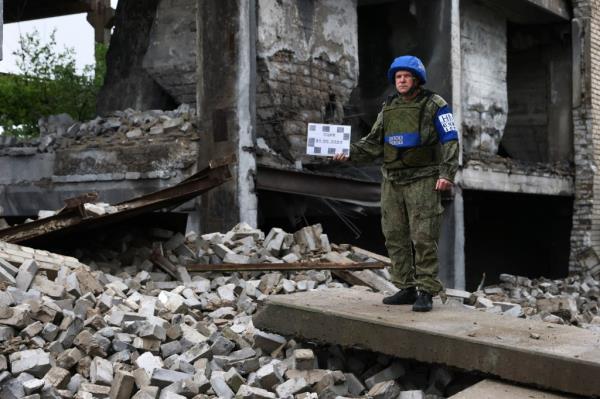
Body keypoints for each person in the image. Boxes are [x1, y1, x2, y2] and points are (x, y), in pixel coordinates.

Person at [334, 55, 459, 312]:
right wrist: (349, 151)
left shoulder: (436, 104)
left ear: (416, 79)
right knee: (394, 235)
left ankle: (426, 290)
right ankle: (406, 288)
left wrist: (446, 174)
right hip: (392, 179)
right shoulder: (388, 106)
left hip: (423, 179)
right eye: (398, 77)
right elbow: (373, 142)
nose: (401, 81)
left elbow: (450, 139)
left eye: (406, 76)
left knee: (423, 236)